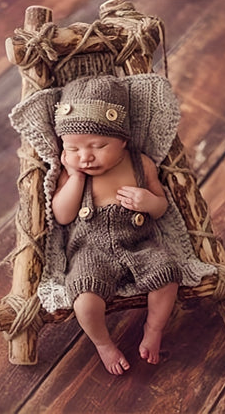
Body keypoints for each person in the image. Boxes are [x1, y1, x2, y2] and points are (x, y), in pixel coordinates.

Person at [51, 75, 180, 375]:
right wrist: (76, 179)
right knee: (84, 300)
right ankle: (103, 343)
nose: (85, 156)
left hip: (138, 243)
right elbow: (62, 216)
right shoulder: (71, 174)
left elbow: (161, 207)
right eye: (73, 147)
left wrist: (148, 201)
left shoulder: (140, 164)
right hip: (90, 250)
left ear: (122, 140)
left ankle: (154, 327)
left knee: (167, 275)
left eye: (98, 145)